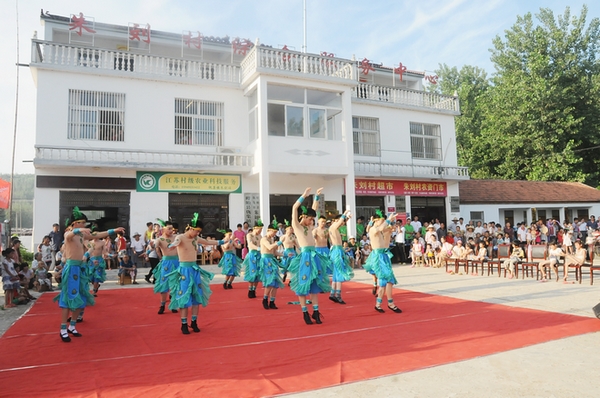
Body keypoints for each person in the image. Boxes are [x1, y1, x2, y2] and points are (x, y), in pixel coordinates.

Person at [56, 206, 125, 342]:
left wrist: (113, 230)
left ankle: (73, 326)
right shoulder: (68, 235)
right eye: (82, 223)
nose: (85, 225)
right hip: (71, 269)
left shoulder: (82, 236)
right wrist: (78, 230)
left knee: (82, 298)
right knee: (68, 298)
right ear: (75, 224)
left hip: (81, 268)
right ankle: (63, 328)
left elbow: (97, 235)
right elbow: (69, 235)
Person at [167, 213, 219, 335]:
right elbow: (176, 242)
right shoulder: (180, 237)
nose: (197, 234)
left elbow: (207, 242)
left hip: (194, 269)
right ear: (190, 228)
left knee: (197, 297)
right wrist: (172, 245)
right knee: (184, 297)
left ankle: (194, 321)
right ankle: (184, 324)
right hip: (184, 271)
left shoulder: (196, 238)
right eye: (196, 231)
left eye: (199, 232)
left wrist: (223, 241)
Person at [288, 187, 331, 325]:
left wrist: (316, 197)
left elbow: (313, 208)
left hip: (314, 256)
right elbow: (294, 208)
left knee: (314, 285)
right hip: (305, 257)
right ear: (304, 217)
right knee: (303, 284)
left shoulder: (310, 227)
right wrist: (303, 196)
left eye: (313, 219)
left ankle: (316, 312)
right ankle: (305, 312)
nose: (312, 221)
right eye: (310, 219)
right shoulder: (298, 226)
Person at [364, 211, 402, 314]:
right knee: (386, 280)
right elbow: (380, 228)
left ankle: (380, 304)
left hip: (383, 256)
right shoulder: (373, 230)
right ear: (376, 221)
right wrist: (389, 220)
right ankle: (389, 303)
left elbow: (390, 229)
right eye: (381, 220)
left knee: (387, 281)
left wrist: (392, 222)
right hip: (378, 257)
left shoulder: (380, 229)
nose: (383, 222)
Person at [152, 219, 179, 314]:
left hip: (177, 262)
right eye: (169, 229)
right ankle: (162, 305)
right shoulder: (160, 239)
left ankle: (173, 304)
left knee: (176, 284)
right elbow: (155, 245)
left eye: (172, 229)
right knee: (164, 285)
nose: (171, 231)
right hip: (166, 263)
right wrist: (152, 245)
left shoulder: (176, 237)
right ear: (163, 229)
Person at [328, 210, 354, 304]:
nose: (342, 223)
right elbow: (339, 222)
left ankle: (332, 293)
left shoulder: (333, 228)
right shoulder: (333, 227)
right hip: (337, 251)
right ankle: (338, 295)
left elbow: (340, 223)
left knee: (336, 273)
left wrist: (346, 218)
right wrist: (345, 213)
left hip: (336, 250)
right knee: (339, 273)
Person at [259, 224, 285, 309]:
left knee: (275, 282)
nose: (275, 234)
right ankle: (265, 299)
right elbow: (269, 247)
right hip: (266, 261)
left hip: (272, 260)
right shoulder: (264, 239)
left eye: (276, 232)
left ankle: (272, 302)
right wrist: (279, 242)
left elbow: (274, 252)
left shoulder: (272, 239)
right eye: (274, 232)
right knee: (269, 281)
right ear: (268, 230)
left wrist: (283, 255)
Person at [243, 220, 263, 298]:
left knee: (258, 273)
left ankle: (254, 289)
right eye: (259, 229)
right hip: (252, 255)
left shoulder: (260, 236)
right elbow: (250, 244)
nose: (260, 231)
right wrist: (258, 248)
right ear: (255, 228)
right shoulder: (249, 235)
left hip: (258, 255)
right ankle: (250, 289)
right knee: (252, 272)